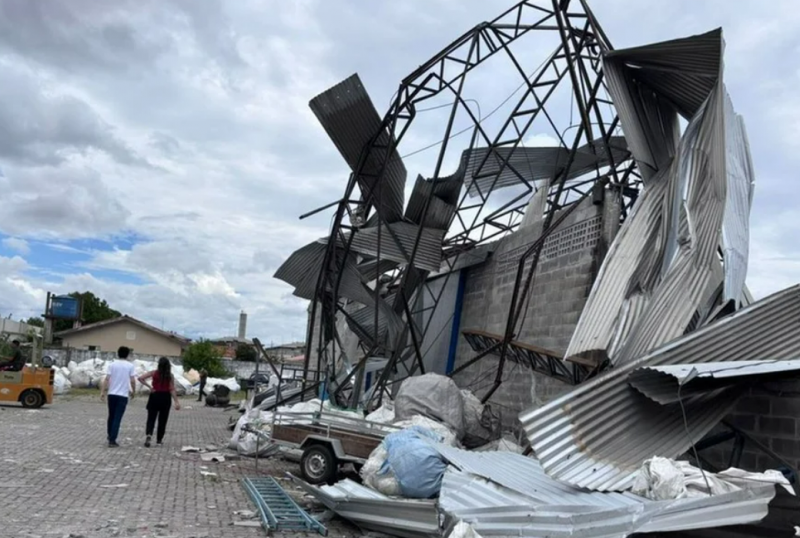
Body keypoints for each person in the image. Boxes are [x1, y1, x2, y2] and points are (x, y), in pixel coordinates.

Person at [138, 357, 181, 447]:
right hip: (165, 397)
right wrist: (176, 401)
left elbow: (141, 378)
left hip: (154, 396)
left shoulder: (153, 373)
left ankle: (149, 434)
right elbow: (171, 388)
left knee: (151, 418)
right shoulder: (170, 375)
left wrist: (150, 387)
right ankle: (159, 439)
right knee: (163, 419)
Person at [100, 346, 136, 447]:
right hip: (122, 395)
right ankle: (112, 440)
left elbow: (107, 379)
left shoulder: (112, 365)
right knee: (117, 417)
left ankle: (110, 435)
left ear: (118, 353)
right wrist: (133, 391)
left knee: (111, 416)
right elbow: (132, 380)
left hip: (111, 394)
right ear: (127, 355)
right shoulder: (130, 366)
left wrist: (102, 391)